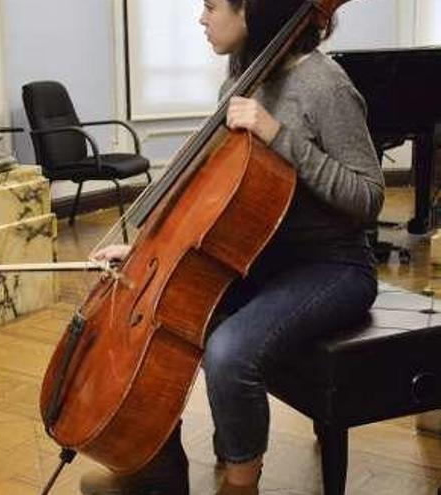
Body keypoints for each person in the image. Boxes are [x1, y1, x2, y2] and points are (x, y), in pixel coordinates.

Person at [81, 0, 384, 494]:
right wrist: (147, 250)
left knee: (228, 351)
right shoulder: (240, 84)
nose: (202, 18)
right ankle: (158, 468)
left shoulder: (325, 84)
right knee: (165, 316)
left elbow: (367, 197)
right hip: (264, 257)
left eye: (212, 6)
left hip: (334, 266)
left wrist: (276, 133)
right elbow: (210, 194)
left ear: (253, 12)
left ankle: (240, 485)